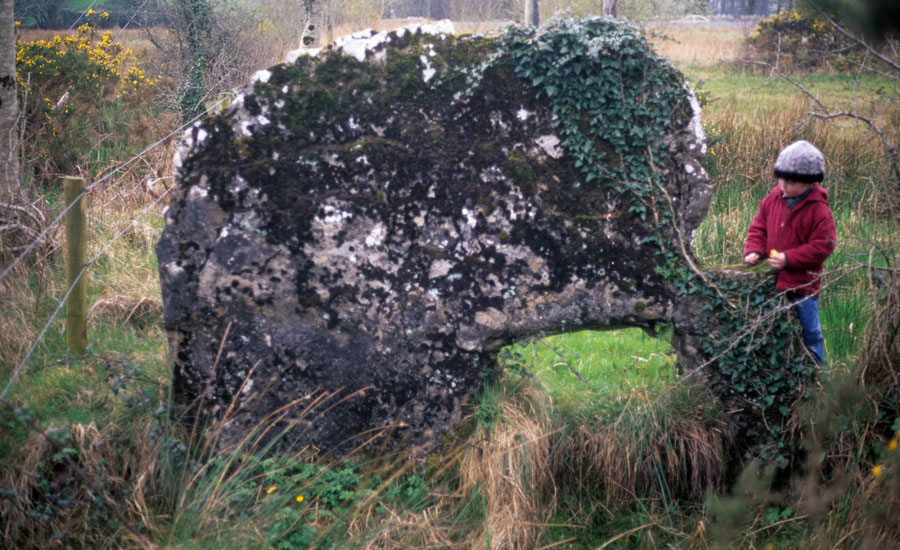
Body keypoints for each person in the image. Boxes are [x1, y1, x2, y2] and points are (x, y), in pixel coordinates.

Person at [743, 140, 836, 365]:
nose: (783, 185)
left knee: (810, 333)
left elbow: (823, 245)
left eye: (791, 181)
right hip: (770, 280)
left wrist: (789, 259)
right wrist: (754, 250)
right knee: (771, 329)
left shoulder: (819, 210)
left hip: (803, 285)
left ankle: (819, 375)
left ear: (809, 183)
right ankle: (778, 370)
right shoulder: (772, 199)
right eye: (781, 178)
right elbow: (758, 228)